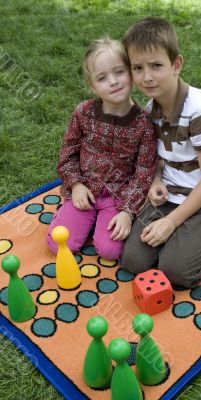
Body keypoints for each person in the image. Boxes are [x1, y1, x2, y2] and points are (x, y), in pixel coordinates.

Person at [121, 17, 201, 287]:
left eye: (156, 66)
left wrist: (171, 223)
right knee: (132, 262)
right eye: (138, 68)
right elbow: (158, 157)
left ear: (176, 64)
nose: (147, 76)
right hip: (171, 191)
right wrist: (157, 179)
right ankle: (185, 235)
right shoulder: (151, 110)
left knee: (177, 273)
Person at [47, 37, 157, 260]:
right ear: (92, 85)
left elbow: (144, 172)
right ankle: (72, 215)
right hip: (84, 190)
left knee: (111, 251)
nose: (114, 81)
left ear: (130, 73)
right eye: (102, 77)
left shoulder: (144, 124)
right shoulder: (83, 113)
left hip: (117, 196)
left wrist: (127, 211)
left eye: (119, 72)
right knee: (59, 245)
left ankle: (101, 223)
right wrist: (76, 185)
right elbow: (68, 153)